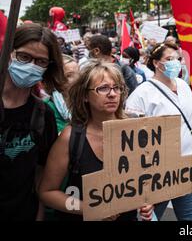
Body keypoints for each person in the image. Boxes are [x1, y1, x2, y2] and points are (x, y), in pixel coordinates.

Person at [39, 62, 154, 221]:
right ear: (85, 95)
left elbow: (145, 180)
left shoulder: (135, 131)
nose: (112, 94)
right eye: (103, 88)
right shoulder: (70, 137)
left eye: (117, 88)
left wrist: (147, 202)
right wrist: (88, 209)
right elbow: (47, 193)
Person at [125, 42, 192, 221]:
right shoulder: (141, 94)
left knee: (189, 219)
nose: (175, 63)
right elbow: (131, 139)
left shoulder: (183, 87)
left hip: (187, 169)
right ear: (156, 63)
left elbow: (191, 121)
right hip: (158, 174)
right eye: (169, 59)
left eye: (177, 59)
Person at [0, 23, 66, 221]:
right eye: (24, 57)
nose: (31, 66)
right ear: (9, 54)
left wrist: (38, 215)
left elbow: (40, 171)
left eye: (41, 62)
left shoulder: (43, 114)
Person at [44, 55, 80, 134]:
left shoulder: (86, 101)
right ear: (55, 79)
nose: (78, 79)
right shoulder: (46, 107)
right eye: (69, 75)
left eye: (79, 73)